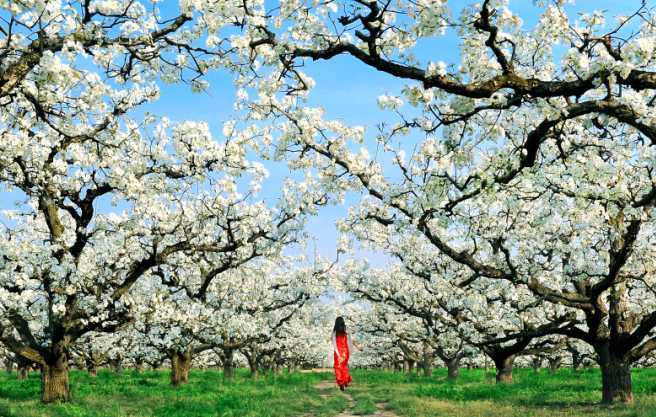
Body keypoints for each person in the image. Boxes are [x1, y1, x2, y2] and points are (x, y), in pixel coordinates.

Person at [331, 316, 362, 391]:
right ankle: (345, 381)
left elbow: (333, 342)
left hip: (338, 352)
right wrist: (358, 347)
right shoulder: (346, 330)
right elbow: (352, 340)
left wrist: (338, 355)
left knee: (338, 367)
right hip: (345, 352)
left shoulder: (334, 332)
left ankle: (341, 382)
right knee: (344, 367)